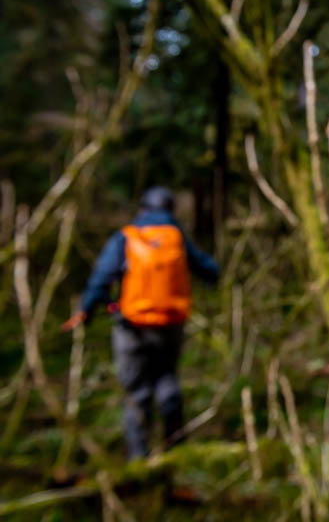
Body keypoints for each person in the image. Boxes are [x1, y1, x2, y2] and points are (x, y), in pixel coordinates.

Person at [63, 186, 219, 460]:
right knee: (167, 380)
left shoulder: (127, 237)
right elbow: (208, 269)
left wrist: (86, 310)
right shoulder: (176, 237)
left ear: (142, 208)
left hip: (132, 327)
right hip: (170, 323)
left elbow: (101, 278)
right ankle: (175, 450)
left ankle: (138, 458)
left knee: (137, 391)